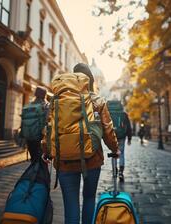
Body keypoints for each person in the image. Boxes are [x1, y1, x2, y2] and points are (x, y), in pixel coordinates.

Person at [42, 63, 119, 224]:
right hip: (92, 159)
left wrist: (47, 151)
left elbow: (48, 129)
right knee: (89, 198)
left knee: (70, 205)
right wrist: (115, 149)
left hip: (64, 160)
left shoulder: (57, 101)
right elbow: (108, 129)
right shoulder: (97, 100)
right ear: (90, 80)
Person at [21, 86, 49, 162]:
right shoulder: (45, 106)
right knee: (42, 162)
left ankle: (34, 173)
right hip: (41, 138)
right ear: (44, 95)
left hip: (29, 138)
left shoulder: (28, 106)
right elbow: (49, 122)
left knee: (34, 160)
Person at [117, 111, 132, 181]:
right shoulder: (124, 114)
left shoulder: (109, 112)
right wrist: (129, 138)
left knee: (113, 153)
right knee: (121, 154)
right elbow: (128, 126)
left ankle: (114, 170)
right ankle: (120, 171)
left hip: (112, 136)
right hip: (122, 136)